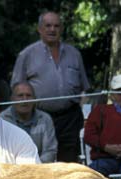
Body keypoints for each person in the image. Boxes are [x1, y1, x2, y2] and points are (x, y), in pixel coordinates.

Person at [11, 11, 90, 163]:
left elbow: (84, 89)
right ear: (40, 29)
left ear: (61, 29)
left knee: (69, 162)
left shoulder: (74, 54)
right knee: (40, 161)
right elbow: (17, 88)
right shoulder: (27, 55)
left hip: (70, 118)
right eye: (48, 26)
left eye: (56, 26)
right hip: (38, 117)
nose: (52, 30)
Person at [0, 82, 58, 163]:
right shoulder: (1, 120)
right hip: (12, 170)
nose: (25, 99)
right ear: (12, 98)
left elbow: (50, 151)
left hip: (40, 169)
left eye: (28, 95)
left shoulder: (45, 119)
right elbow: (0, 153)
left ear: (34, 99)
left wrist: (35, 168)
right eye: (20, 95)